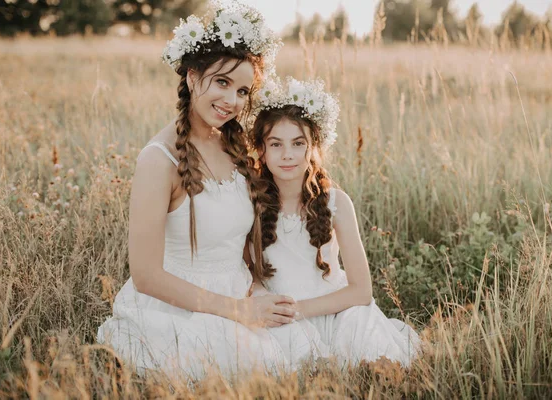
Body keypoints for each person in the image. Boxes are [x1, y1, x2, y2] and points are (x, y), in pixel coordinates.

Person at [97, 2, 296, 380]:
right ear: (191, 76)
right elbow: (145, 275)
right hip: (176, 305)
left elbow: (237, 244)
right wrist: (237, 310)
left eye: (242, 91)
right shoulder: (158, 160)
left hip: (239, 291)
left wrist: (253, 290)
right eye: (221, 83)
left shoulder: (235, 150)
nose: (232, 101)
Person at [249, 77, 421, 368]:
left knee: (367, 344)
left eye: (298, 143)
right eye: (276, 144)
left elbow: (361, 290)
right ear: (262, 151)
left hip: (338, 309)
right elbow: (248, 274)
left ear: (313, 146)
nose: (288, 154)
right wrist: (271, 305)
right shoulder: (250, 205)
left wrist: (301, 309)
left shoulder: (336, 203)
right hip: (282, 316)